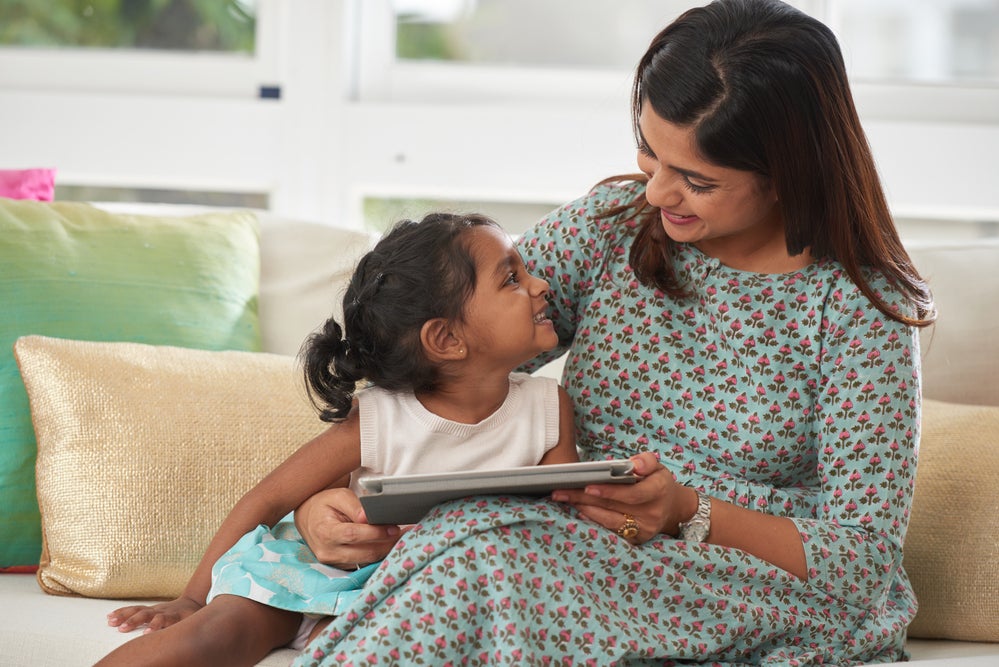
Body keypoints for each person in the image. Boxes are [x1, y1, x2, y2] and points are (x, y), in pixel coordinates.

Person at [289, 1, 936, 664]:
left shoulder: (861, 306)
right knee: (469, 540)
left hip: (746, 582)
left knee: (486, 555)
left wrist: (685, 508)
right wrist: (323, 505)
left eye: (695, 180)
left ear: (787, 174)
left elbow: (864, 562)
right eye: (649, 154)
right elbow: (447, 350)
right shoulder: (612, 226)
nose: (657, 192)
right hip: (565, 548)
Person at [96, 212, 579, 667]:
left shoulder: (548, 407)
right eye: (512, 278)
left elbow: (561, 526)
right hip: (319, 570)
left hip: (421, 594)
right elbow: (269, 498)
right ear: (448, 339)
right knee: (217, 635)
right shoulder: (381, 416)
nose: (541, 286)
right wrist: (192, 598)